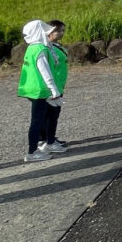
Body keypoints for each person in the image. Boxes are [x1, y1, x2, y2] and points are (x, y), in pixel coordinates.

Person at [18, 20, 65, 162]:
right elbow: (46, 72)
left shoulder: (32, 47)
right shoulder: (41, 49)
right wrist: (54, 89)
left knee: (39, 120)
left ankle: (41, 145)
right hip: (40, 90)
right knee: (38, 121)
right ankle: (32, 152)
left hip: (32, 89)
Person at [43, 20, 69, 154]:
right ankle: (49, 141)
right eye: (58, 31)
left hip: (59, 84)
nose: (61, 33)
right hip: (52, 86)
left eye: (62, 30)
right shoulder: (46, 47)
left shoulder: (56, 46)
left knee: (53, 114)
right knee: (51, 114)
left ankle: (49, 138)